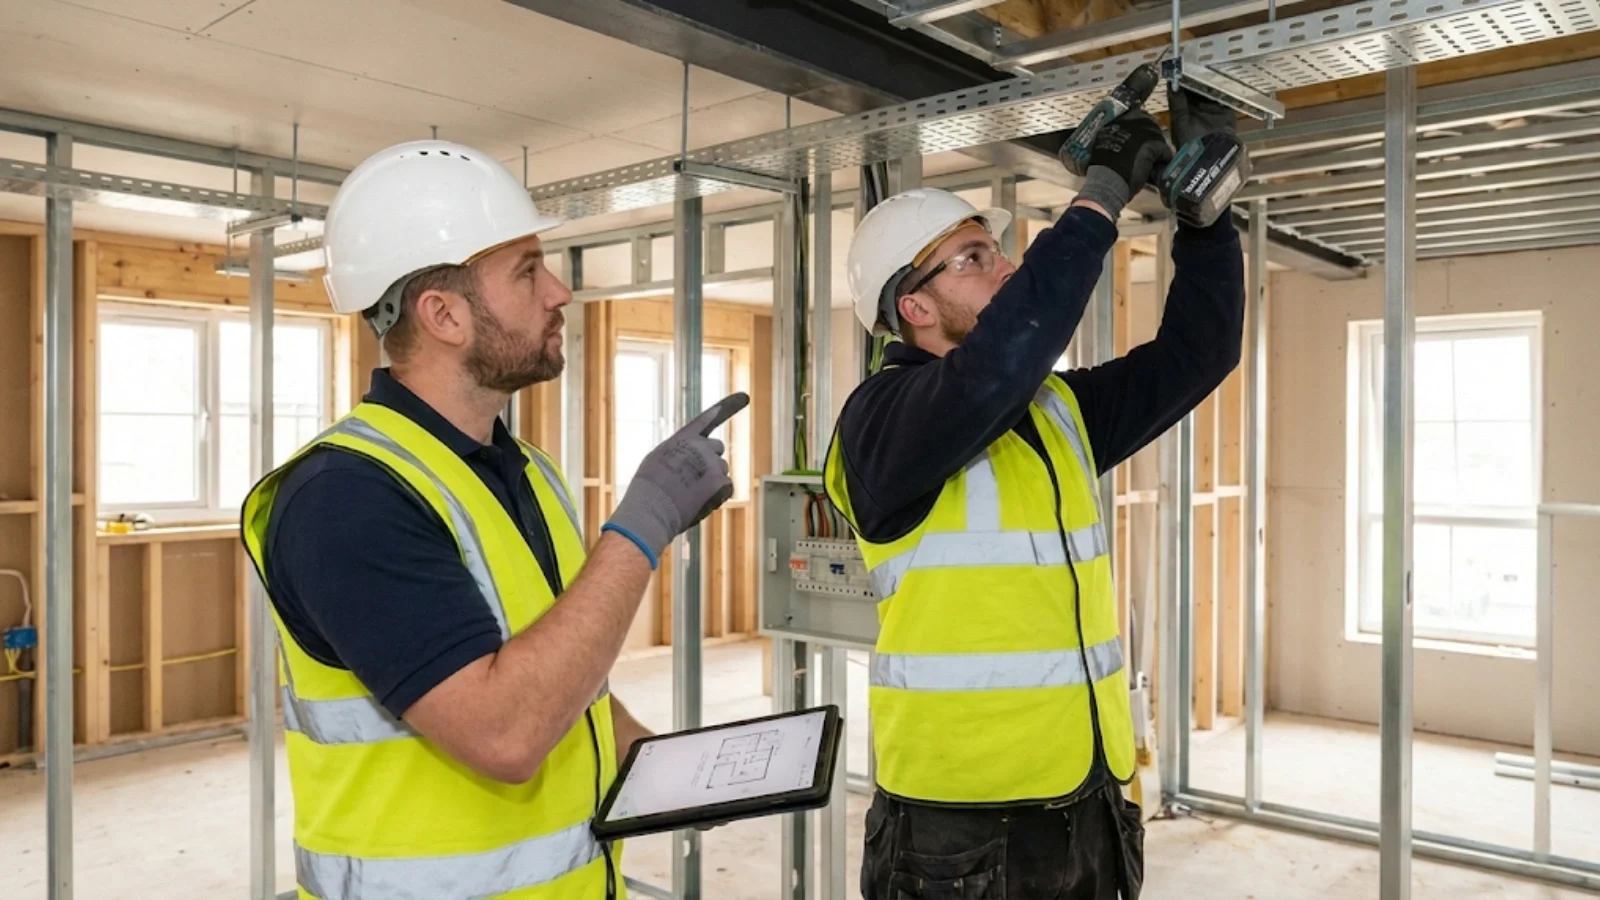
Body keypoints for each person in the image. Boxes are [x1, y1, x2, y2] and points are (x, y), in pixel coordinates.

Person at [239, 140, 747, 900]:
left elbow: (562, 683)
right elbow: (503, 732)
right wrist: (641, 526)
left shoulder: (528, 473)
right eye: (527, 271)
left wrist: (673, 774)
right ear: (442, 314)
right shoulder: (344, 498)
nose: (560, 293)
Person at [824, 93, 1246, 899]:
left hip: (1090, 796)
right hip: (961, 827)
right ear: (914, 307)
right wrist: (1099, 198)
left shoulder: (1054, 412)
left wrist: (1206, 221)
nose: (1007, 268)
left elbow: (1201, 351)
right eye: (976, 257)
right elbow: (1008, 352)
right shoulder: (878, 426)